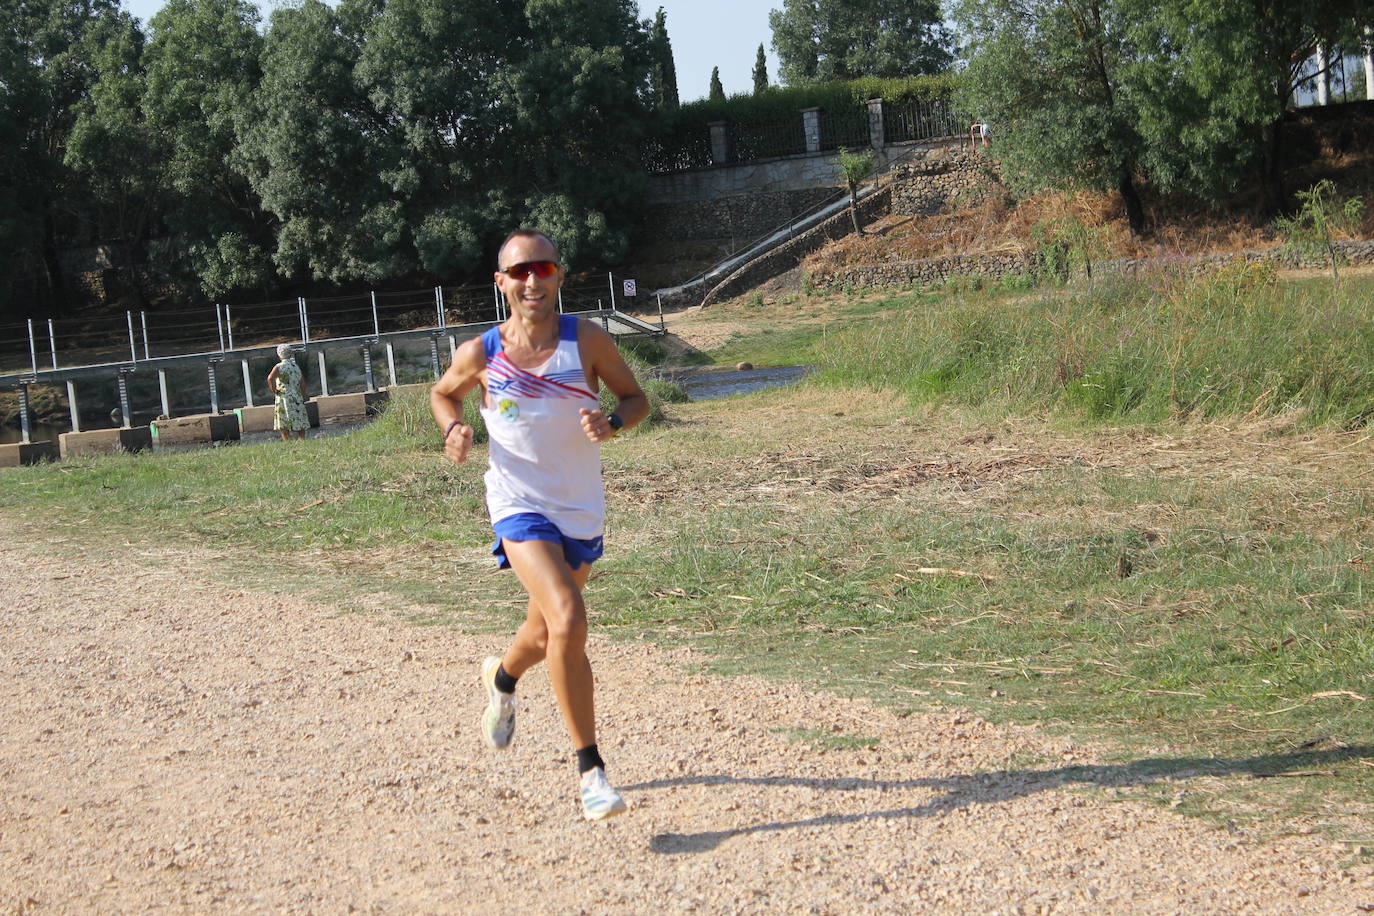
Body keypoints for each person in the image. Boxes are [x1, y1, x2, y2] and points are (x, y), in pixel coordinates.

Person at [429, 228, 649, 821]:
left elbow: (635, 399)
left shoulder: (589, 340)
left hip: (578, 508)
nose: (532, 280)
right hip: (516, 503)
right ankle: (591, 772)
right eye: (519, 272)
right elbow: (442, 394)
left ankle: (500, 680)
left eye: (542, 269)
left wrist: (613, 422)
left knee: (545, 632)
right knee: (569, 616)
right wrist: (453, 429)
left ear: (558, 275)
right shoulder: (482, 352)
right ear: (500, 283)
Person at [267, 343, 309, 441]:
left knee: (283, 421)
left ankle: (287, 440)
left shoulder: (279, 367)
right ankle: (302, 439)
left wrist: (274, 390)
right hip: (296, 396)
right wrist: (303, 395)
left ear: (279, 355)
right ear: (290, 354)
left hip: (283, 396)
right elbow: (302, 383)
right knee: (299, 419)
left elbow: (270, 378)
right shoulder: (295, 366)